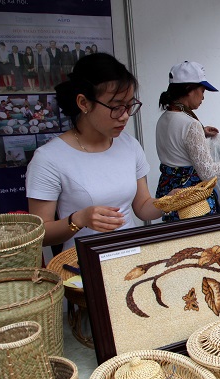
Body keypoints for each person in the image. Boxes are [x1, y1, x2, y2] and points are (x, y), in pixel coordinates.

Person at [26, 53, 164, 250]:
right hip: (83, 265)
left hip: (131, 256)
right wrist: (79, 219)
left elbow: (142, 207)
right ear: (83, 103)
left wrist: (170, 202)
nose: (125, 116)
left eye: (129, 106)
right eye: (116, 107)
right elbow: (40, 235)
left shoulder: (129, 145)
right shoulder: (48, 158)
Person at [155, 60, 220, 222]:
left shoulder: (164, 118)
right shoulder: (190, 124)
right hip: (190, 201)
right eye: (202, 90)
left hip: (169, 193)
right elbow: (208, 174)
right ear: (189, 90)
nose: (203, 97)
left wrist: (202, 133)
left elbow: (178, 145)